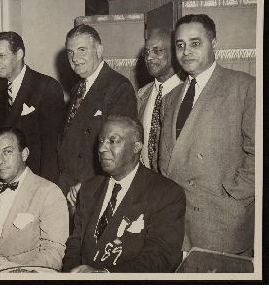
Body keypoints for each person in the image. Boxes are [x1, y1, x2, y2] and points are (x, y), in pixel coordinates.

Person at [158, 14, 255, 256]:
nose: (186, 51)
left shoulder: (244, 87)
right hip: (177, 222)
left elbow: (260, 154)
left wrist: (233, 197)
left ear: (215, 44)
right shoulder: (171, 97)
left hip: (221, 223)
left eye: (195, 43)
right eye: (180, 45)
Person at [62, 116, 185, 273]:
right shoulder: (88, 188)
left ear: (136, 147)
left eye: (113, 141)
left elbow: (159, 258)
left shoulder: (166, 194)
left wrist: (105, 275)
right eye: (100, 141)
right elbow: (75, 245)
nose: (101, 149)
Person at [58, 24, 137, 212]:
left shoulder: (118, 87)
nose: (75, 58)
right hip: (69, 188)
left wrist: (87, 183)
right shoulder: (78, 90)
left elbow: (120, 151)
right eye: (70, 52)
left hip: (92, 189)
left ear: (99, 50)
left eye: (82, 50)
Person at [0, 127, 69, 270]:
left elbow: (54, 253)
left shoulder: (49, 193)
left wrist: (14, 270)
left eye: (7, 152)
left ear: (24, 154)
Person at [0, 32, 65, 185]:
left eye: (1, 55)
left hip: (35, 178)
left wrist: (47, 188)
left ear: (19, 54)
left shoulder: (46, 87)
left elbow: (51, 147)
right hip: (5, 177)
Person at [137, 28, 185, 170]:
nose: (149, 57)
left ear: (175, 53)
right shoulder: (141, 94)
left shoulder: (188, 92)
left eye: (157, 51)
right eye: (146, 52)